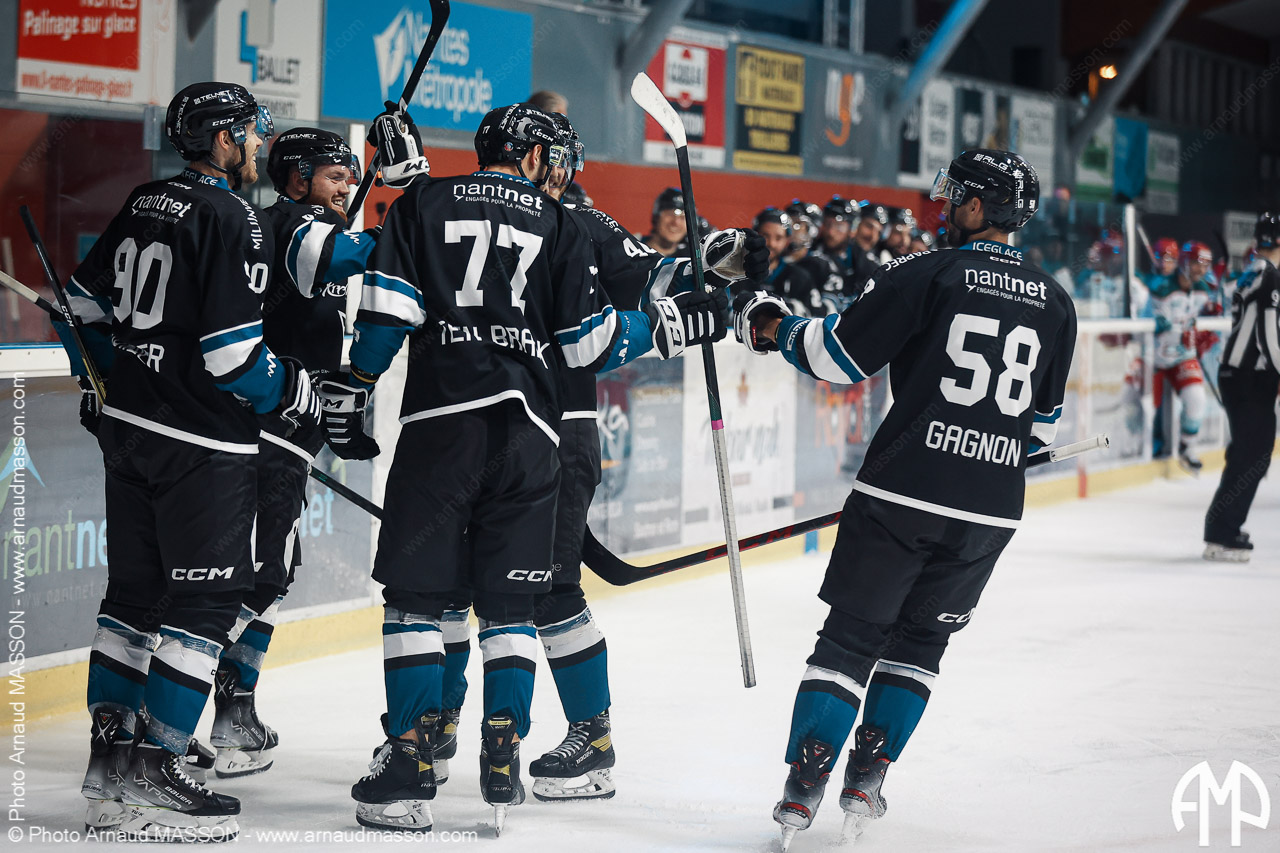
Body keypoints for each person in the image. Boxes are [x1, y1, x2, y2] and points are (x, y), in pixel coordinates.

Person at [316, 103, 728, 834]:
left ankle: (423, 753)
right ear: (537, 154)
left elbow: (387, 307)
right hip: (536, 434)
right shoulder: (563, 221)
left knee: (429, 596)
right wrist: (677, 322)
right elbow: (595, 338)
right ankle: (492, 744)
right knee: (503, 602)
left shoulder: (436, 202)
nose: (563, 170)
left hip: (450, 425)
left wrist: (357, 379)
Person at [734, 149, 1075, 849]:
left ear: (977, 206)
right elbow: (1039, 425)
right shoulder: (1056, 300)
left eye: (956, 196)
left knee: (851, 638)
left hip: (901, 492)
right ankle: (868, 776)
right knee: (921, 642)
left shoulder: (930, 272)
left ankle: (805, 781)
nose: (945, 206)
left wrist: (770, 324)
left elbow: (835, 356)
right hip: (988, 511)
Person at [425, 112, 765, 803]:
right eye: (556, 156)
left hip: (558, 430)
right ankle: (433, 728)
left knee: (549, 586)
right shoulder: (465, 211)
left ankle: (592, 738)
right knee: (448, 586)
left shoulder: (579, 221)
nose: (562, 169)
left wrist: (710, 263)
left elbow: (654, 276)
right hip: (472, 427)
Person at [68, 82, 320, 842]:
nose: (257, 145)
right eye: (250, 132)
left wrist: (103, 374)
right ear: (222, 139)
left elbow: (82, 305)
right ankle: (156, 770)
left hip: (130, 431)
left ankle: (109, 766)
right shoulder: (232, 216)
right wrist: (292, 391)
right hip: (200, 444)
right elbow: (233, 357)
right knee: (207, 602)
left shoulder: (144, 200)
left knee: (132, 600)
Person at [202, 122, 429, 780]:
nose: (347, 187)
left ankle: (232, 709)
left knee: (270, 571)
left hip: (288, 434)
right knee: (258, 572)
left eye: (352, 178)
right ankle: (177, 694)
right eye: (335, 176)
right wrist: (417, 215)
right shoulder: (288, 223)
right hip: (264, 431)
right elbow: (345, 255)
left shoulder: (314, 225)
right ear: (298, 179)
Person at [1203, 212, 1280, 562]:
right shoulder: (1270, 275)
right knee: (1252, 455)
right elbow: (1268, 334)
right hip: (1250, 378)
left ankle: (1223, 527)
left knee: (1249, 454)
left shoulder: (1253, 270)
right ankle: (1222, 533)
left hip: (1241, 376)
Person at [1147, 241, 1219, 472]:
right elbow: (1156, 328)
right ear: (1185, 262)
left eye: (1206, 264)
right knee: (1145, 409)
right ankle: (1141, 450)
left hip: (1181, 357)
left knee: (1197, 399)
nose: (1202, 269)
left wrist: (1208, 325)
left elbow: (1201, 326)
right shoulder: (1161, 287)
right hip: (1152, 358)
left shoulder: (1203, 290)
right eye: (1198, 263)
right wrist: (1180, 333)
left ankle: (1187, 448)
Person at [752, 207, 822, 315]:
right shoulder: (736, 273)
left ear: (787, 240)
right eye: (765, 236)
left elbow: (815, 316)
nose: (771, 244)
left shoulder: (800, 278)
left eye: (778, 238)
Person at [640, 187, 688, 257]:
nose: (676, 222)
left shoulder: (691, 258)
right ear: (656, 217)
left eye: (683, 217)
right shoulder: (631, 249)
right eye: (670, 214)